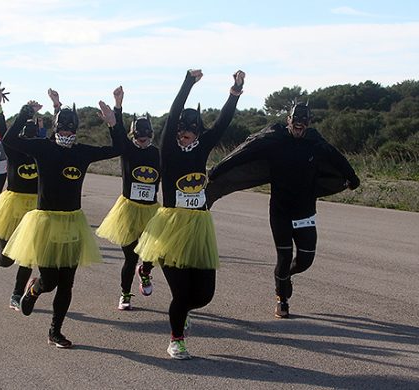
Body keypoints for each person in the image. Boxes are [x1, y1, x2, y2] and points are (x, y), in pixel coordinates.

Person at [206, 100, 361, 319]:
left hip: (305, 212)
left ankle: (284, 277)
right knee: (285, 256)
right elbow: (246, 153)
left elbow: (337, 157)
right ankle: (282, 298)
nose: (299, 125)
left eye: (303, 121)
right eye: (296, 120)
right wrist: (217, 170)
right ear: (289, 119)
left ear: (309, 123)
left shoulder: (315, 143)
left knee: (306, 260)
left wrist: (353, 179)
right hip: (280, 211)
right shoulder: (274, 141)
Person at [135, 69, 245, 359]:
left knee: (204, 295)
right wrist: (187, 83)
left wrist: (234, 93)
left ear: (197, 133)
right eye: (182, 130)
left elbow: (222, 124)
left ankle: (180, 310)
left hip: (199, 225)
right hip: (171, 226)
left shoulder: (202, 147)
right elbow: (172, 115)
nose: (185, 134)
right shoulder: (169, 151)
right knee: (181, 294)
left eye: (191, 131)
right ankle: (176, 339)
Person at [1, 91, 122, 348]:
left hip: (73, 223)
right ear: (56, 126)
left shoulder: (82, 153)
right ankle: (34, 289)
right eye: (62, 127)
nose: (66, 132)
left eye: (71, 128)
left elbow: (119, 148)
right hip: (45, 223)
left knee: (67, 283)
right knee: (50, 281)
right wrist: (25, 113)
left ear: (76, 129)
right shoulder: (43, 148)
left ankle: (55, 331)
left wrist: (114, 120)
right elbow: (9, 140)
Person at [95, 86, 160, 310]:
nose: (142, 141)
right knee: (131, 256)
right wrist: (118, 106)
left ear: (151, 135)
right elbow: (118, 133)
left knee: (150, 253)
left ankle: (146, 271)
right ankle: (125, 293)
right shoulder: (128, 151)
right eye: (138, 137)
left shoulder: (158, 154)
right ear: (134, 136)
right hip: (128, 210)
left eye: (146, 137)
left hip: (151, 210)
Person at [0, 85, 40, 312]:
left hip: (34, 210)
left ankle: (16, 294)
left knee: (27, 256)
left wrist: (57, 106)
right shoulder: (13, 150)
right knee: (8, 258)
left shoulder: (43, 152)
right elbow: (3, 131)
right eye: (28, 132)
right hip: (12, 207)